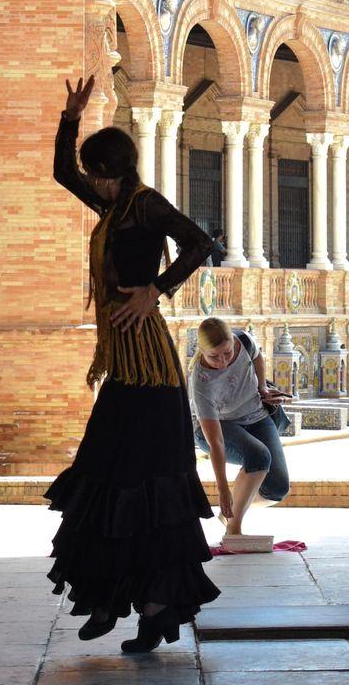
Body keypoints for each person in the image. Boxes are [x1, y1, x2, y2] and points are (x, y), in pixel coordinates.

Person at [47, 74, 221, 656]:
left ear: (113, 169)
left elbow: (201, 243)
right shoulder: (114, 203)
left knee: (148, 489)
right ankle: (107, 596)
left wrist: (157, 288)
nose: (91, 179)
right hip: (124, 366)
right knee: (106, 478)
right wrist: (70, 119)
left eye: (97, 170)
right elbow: (62, 173)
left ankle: (149, 610)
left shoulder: (144, 205)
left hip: (150, 367)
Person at [190, 317, 291, 536]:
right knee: (259, 456)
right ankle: (233, 529)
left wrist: (263, 388)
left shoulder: (243, 340)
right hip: (220, 426)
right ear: (201, 351)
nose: (223, 362)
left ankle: (231, 511)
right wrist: (223, 489)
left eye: (227, 353)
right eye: (214, 357)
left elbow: (257, 357)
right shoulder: (201, 381)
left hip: (255, 417)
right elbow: (215, 442)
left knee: (277, 489)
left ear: (233, 342)